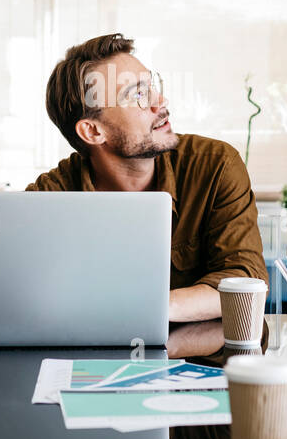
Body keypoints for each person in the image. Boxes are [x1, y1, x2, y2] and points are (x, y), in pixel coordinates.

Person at [27, 33, 268, 325]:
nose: (160, 102)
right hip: (91, 367)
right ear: (92, 131)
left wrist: (137, 320)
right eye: (137, 95)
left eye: (151, 87)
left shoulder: (214, 165)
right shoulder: (47, 201)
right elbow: (30, 302)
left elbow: (245, 284)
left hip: (192, 367)